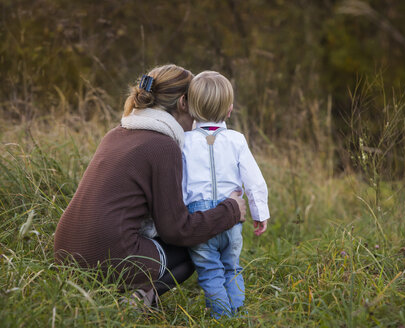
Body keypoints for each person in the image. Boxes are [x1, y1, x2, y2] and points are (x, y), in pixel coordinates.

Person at [54, 64, 246, 307]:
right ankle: (135, 300)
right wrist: (231, 210)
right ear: (184, 103)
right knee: (191, 248)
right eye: (196, 103)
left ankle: (120, 295)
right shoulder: (163, 146)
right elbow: (177, 230)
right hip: (106, 257)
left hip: (64, 256)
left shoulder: (117, 133)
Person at [182, 71, 270, 318]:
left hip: (200, 218)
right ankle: (238, 312)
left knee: (210, 271)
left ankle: (222, 318)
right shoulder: (237, 140)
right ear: (230, 110)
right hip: (232, 217)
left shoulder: (184, 142)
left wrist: (180, 212)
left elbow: (179, 183)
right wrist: (260, 212)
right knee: (232, 267)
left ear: (189, 108)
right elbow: (255, 181)